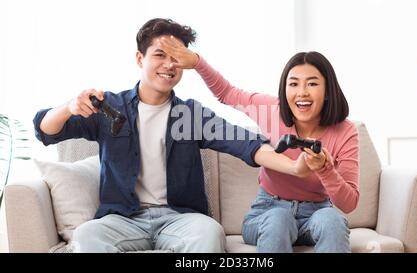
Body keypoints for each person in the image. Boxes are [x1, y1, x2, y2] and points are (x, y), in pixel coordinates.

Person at [33, 18, 310, 253]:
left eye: (176, 58)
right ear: (140, 58)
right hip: (123, 219)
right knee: (86, 236)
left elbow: (247, 145)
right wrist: (69, 107)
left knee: (209, 234)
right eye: (160, 55)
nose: (169, 65)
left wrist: (295, 167)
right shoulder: (109, 108)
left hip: (180, 219)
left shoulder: (190, 115)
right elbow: (45, 130)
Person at [157, 37, 359, 253]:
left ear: (328, 91)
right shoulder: (270, 110)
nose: (302, 92)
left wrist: (325, 170)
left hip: (317, 212)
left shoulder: (345, 131)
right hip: (268, 211)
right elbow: (227, 93)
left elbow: (348, 204)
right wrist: (197, 62)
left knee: (332, 220)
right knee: (279, 218)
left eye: (312, 83)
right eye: (293, 84)